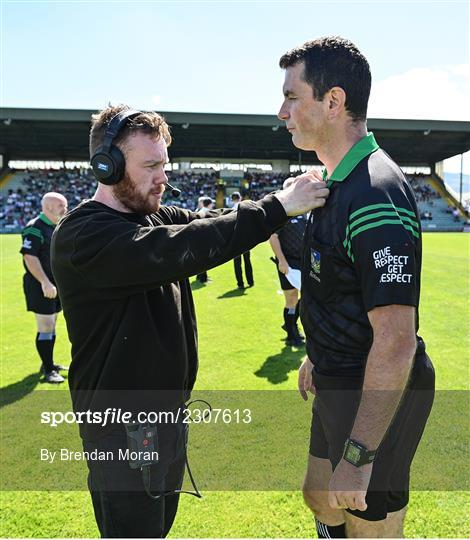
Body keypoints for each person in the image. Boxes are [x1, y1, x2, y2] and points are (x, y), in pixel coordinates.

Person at [50, 104, 330, 538]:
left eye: (165, 163)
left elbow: (213, 224)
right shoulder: (81, 235)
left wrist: (282, 193)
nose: (164, 176)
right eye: (151, 165)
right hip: (121, 430)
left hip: (166, 421)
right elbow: (186, 244)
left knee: (156, 530)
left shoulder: (153, 213)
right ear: (107, 167)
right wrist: (279, 207)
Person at [277, 37, 435, 538]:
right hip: (338, 375)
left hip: (378, 390)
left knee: (368, 526)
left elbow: (396, 340)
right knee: (319, 496)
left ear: (333, 101)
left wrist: (361, 455)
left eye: (292, 97)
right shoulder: (334, 182)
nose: (282, 111)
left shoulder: (375, 193)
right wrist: (317, 353)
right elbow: (340, 287)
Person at [20, 192, 68, 383]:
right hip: (40, 286)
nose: (65, 209)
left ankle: (48, 362)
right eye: (61, 206)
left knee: (52, 324)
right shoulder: (34, 228)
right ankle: (49, 371)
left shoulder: (54, 226)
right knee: (46, 326)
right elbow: (29, 256)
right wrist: (45, 282)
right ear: (48, 208)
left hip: (54, 286)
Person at [269, 213, 308, 346]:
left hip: (305, 262)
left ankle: (289, 324)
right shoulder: (285, 214)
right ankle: (291, 335)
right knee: (291, 298)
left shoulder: (306, 214)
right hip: (288, 262)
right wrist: (282, 261)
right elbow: (273, 237)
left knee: (309, 296)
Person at [231, 192, 254, 289]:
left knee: (237, 263)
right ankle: (250, 281)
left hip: (236, 239)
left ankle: (240, 284)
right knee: (247, 261)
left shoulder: (232, 210)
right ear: (240, 198)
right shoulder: (245, 208)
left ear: (232, 199)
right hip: (246, 238)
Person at [196, 197, 215, 283]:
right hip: (204, 237)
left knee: (201, 258)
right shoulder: (206, 212)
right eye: (212, 204)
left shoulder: (201, 211)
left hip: (200, 238)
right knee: (204, 259)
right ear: (210, 204)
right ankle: (203, 278)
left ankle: (201, 276)